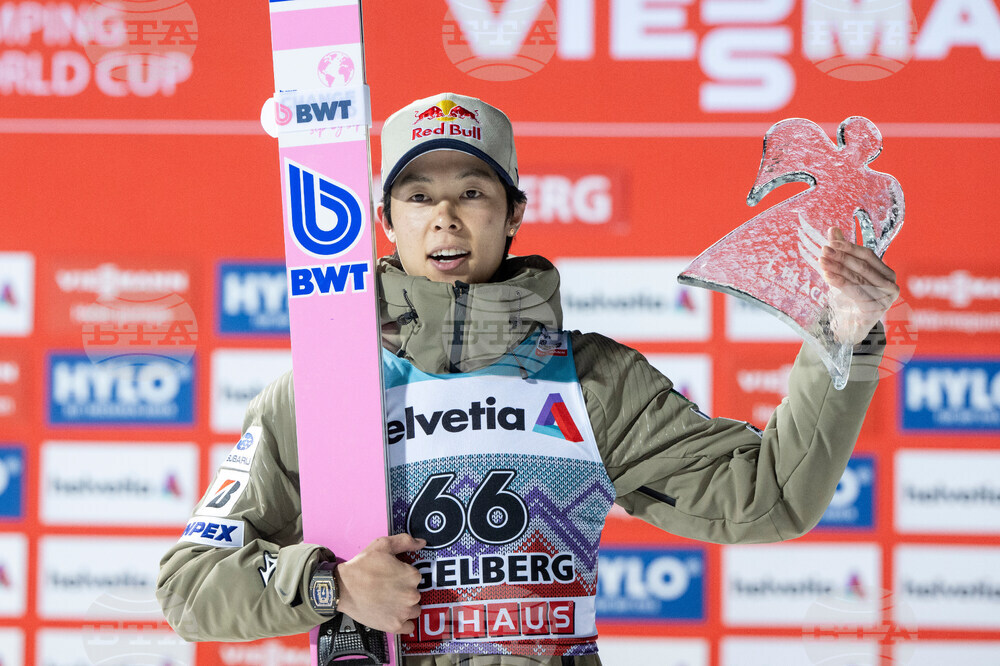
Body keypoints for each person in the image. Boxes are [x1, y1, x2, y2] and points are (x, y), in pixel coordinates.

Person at [157, 92, 899, 665]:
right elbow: (190, 588)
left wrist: (843, 335)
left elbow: (769, 499)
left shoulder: (593, 378)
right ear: (385, 220)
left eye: (472, 192)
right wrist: (331, 585)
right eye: (419, 197)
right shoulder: (324, 391)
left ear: (514, 212)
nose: (445, 217)